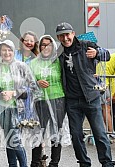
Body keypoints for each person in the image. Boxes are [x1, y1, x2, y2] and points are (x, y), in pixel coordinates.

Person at [56, 22, 115, 167]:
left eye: (67, 34)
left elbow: (107, 55)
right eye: (62, 36)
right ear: (58, 37)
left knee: (99, 134)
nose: (65, 38)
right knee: (76, 136)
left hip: (91, 97)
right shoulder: (58, 53)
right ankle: (84, 163)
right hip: (72, 100)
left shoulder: (86, 44)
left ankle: (107, 163)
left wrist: (97, 53)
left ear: (73, 33)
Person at [0, 40, 40, 167]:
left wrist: (15, 93)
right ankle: (12, 164)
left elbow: (33, 88)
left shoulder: (22, 67)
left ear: (14, 51)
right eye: (4, 50)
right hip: (1, 110)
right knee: (9, 139)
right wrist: (1, 93)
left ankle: (23, 165)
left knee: (15, 139)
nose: (7, 53)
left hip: (19, 109)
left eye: (9, 50)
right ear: (0, 52)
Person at [29, 35, 66, 167]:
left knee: (56, 132)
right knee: (38, 132)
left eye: (49, 45)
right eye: (43, 45)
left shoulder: (58, 61)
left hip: (58, 99)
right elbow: (28, 82)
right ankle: (35, 162)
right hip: (40, 101)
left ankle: (54, 162)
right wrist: (37, 82)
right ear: (39, 47)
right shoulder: (33, 63)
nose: (46, 47)